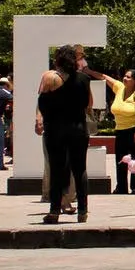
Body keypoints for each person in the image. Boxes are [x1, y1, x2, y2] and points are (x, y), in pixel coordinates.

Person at [36, 45, 93, 223]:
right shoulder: (84, 79)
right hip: (78, 129)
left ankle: (54, 211)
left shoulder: (50, 78)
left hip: (56, 130)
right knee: (80, 169)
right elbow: (89, 103)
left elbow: (43, 104)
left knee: (57, 169)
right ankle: (82, 211)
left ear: (57, 60)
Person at [98, 69, 135, 194]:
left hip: (134, 129)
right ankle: (121, 187)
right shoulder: (119, 88)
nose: (125, 78)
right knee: (121, 159)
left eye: (128, 77)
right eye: (124, 76)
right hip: (120, 129)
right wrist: (87, 70)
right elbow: (104, 77)